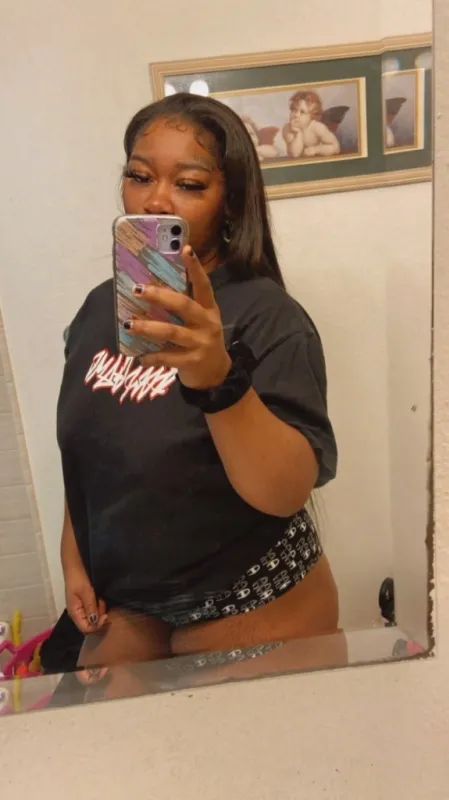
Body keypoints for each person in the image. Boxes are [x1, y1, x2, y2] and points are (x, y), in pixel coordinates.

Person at [41, 92, 339, 674]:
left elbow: (285, 491)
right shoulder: (99, 311)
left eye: (189, 184)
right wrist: (74, 555)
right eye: (139, 176)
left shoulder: (266, 315)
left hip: (254, 596)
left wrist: (217, 380)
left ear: (230, 202)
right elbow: (90, 452)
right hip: (128, 603)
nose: (155, 200)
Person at [279, 90, 341, 159]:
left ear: (312, 116)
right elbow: (295, 154)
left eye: (302, 112)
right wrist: (298, 133)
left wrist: (316, 150)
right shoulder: (288, 128)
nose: (296, 115)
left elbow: (336, 148)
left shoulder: (317, 127)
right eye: (294, 110)